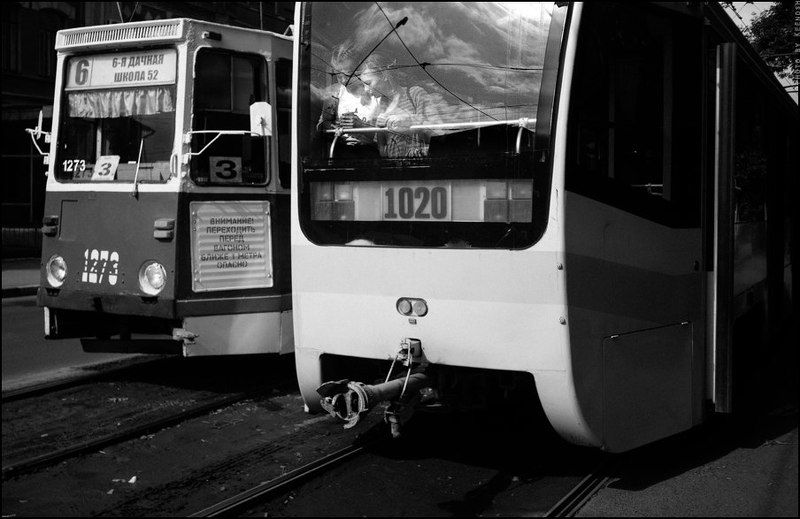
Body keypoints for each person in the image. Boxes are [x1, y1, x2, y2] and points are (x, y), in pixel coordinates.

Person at [359, 54, 436, 158]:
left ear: (384, 76)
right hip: (394, 168)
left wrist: (409, 120)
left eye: (368, 83)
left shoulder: (415, 94)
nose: (366, 89)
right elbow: (382, 149)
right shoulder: (381, 106)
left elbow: (436, 129)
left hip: (418, 166)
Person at [317, 45, 380, 153]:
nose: (343, 80)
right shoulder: (334, 93)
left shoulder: (374, 91)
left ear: (359, 69)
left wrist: (361, 126)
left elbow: (384, 134)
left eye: (348, 74)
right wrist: (336, 126)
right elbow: (321, 127)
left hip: (370, 153)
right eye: (338, 75)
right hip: (340, 151)